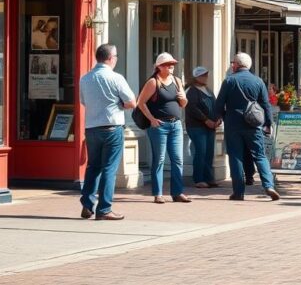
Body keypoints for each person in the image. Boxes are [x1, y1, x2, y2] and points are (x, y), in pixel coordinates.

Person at [79, 44, 135, 220]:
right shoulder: (116, 78)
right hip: (112, 127)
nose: (116, 59)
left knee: (93, 167)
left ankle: (87, 204)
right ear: (111, 58)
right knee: (109, 168)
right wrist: (118, 104)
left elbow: (83, 101)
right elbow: (131, 102)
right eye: (116, 56)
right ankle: (104, 209)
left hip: (91, 128)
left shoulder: (85, 79)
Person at [215, 52, 280, 201]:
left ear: (237, 65)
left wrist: (219, 117)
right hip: (254, 124)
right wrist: (268, 123)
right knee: (260, 155)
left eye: (233, 63)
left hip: (233, 125)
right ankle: (268, 185)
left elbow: (219, 104)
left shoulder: (229, 81)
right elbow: (266, 105)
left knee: (236, 156)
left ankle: (238, 192)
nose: (232, 65)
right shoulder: (258, 81)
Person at [137, 53, 190, 204]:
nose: (171, 66)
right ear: (159, 67)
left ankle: (177, 192)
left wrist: (183, 98)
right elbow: (140, 102)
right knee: (159, 159)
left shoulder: (177, 81)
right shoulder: (153, 82)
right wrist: (152, 119)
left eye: (172, 64)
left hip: (176, 125)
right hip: (159, 127)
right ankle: (158, 193)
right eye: (167, 64)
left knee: (177, 159)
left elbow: (183, 104)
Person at [186, 66, 221, 188]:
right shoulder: (192, 91)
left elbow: (215, 105)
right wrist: (206, 120)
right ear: (196, 77)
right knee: (201, 151)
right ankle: (199, 179)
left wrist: (218, 118)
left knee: (209, 152)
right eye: (203, 75)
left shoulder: (208, 90)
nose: (206, 77)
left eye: (206, 75)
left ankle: (209, 177)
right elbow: (192, 108)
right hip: (196, 127)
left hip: (210, 127)